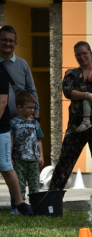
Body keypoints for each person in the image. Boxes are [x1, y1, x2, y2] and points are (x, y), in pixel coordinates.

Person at [0, 25, 40, 212]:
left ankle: (20, 203)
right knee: (10, 163)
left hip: (20, 123)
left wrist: (35, 115)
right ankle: (17, 202)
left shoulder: (22, 64)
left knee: (17, 163)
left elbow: (31, 90)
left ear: (15, 43)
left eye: (10, 40)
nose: (7, 43)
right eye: (4, 39)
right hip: (3, 123)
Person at [49, 41, 92, 191]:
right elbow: (68, 92)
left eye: (84, 53)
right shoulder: (71, 73)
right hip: (76, 126)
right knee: (64, 162)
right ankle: (53, 198)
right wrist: (88, 95)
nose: (82, 57)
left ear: (91, 54)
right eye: (78, 54)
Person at [0, 71, 32, 216]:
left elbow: (2, 102)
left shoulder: (1, 75)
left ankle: (20, 204)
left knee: (6, 166)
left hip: (1, 129)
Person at [11, 92, 44, 212]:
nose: (32, 110)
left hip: (34, 160)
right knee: (19, 184)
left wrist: (41, 156)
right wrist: (10, 157)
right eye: (29, 107)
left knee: (34, 184)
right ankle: (19, 206)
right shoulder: (14, 122)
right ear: (19, 107)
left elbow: (39, 140)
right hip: (19, 159)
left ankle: (35, 207)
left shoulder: (35, 123)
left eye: (33, 107)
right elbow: (11, 140)